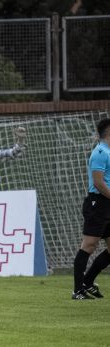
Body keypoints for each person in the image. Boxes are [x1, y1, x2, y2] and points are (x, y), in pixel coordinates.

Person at [72, 117, 110, 300]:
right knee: (89, 245)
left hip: (107, 204)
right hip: (98, 203)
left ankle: (88, 281)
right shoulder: (101, 152)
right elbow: (98, 183)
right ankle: (77, 290)